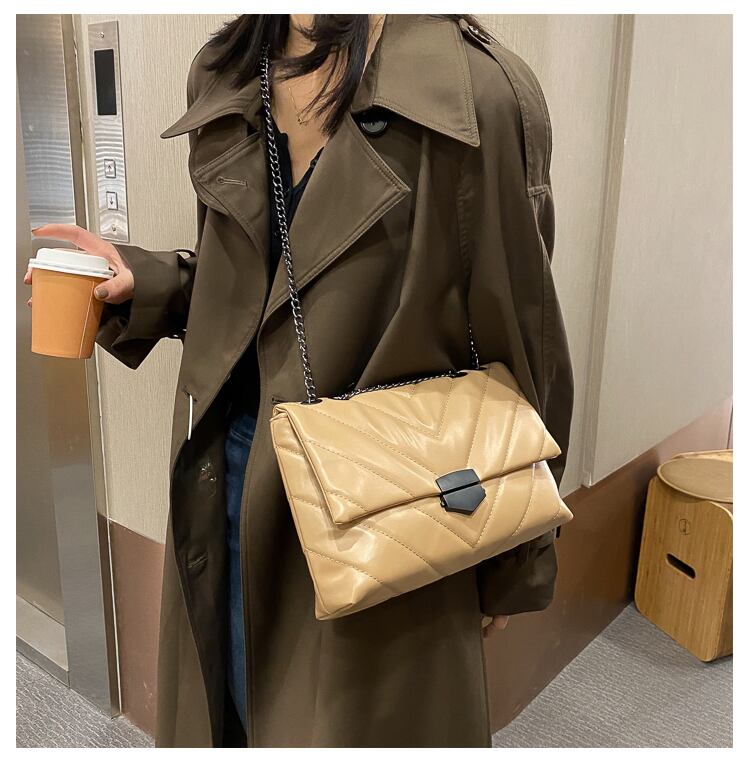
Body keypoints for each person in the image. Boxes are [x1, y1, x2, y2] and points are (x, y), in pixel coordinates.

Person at [25, 14, 574, 748]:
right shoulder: (228, 72)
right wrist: (147, 285)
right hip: (227, 477)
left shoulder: (476, 96)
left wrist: (513, 559)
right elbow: (266, 292)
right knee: (233, 720)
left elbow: (526, 344)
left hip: (385, 506)